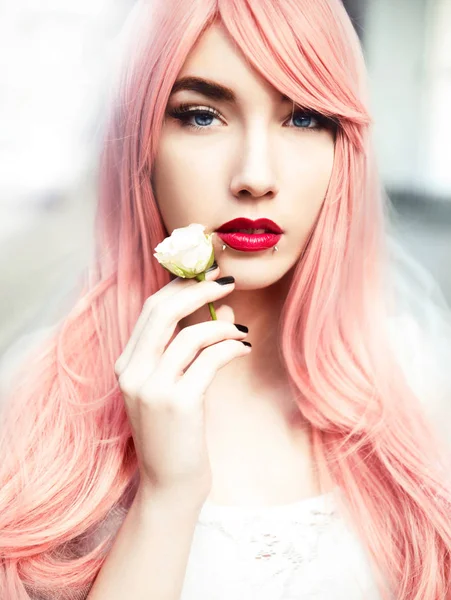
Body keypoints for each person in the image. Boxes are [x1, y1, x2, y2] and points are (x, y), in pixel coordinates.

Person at [1, 0, 451, 599]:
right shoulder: (36, 415)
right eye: (202, 115)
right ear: (141, 144)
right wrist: (166, 498)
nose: (255, 175)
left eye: (306, 117)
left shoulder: (417, 385)